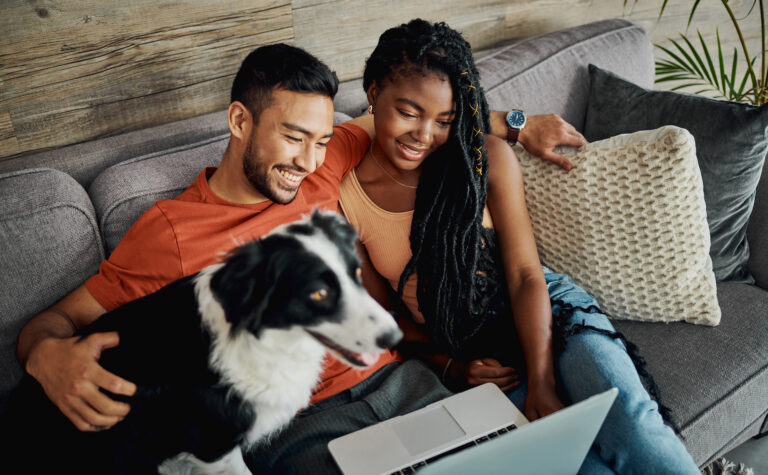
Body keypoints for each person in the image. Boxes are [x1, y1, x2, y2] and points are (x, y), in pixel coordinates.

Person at [15, 40, 575, 443]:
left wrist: (520, 125)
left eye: (322, 140)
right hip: (305, 422)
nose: (309, 161)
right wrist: (46, 357)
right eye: (294, 137)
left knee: (513, 455)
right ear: (240, 121)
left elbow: (420, 124)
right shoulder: (171, 231)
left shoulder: (321, 163)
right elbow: (56, 319)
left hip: (404, 377)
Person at [329, 19, 701, 474]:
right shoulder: (346, 198)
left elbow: (526, 274)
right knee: (581, 466)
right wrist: (455, 368)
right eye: (408, 112)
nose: (424, 135)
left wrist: (542, 377)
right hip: (476, 355)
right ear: (373, 94)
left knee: (631, 423)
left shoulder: (484, 157)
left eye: (444, 121)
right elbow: (385, 318)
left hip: (549, 314)